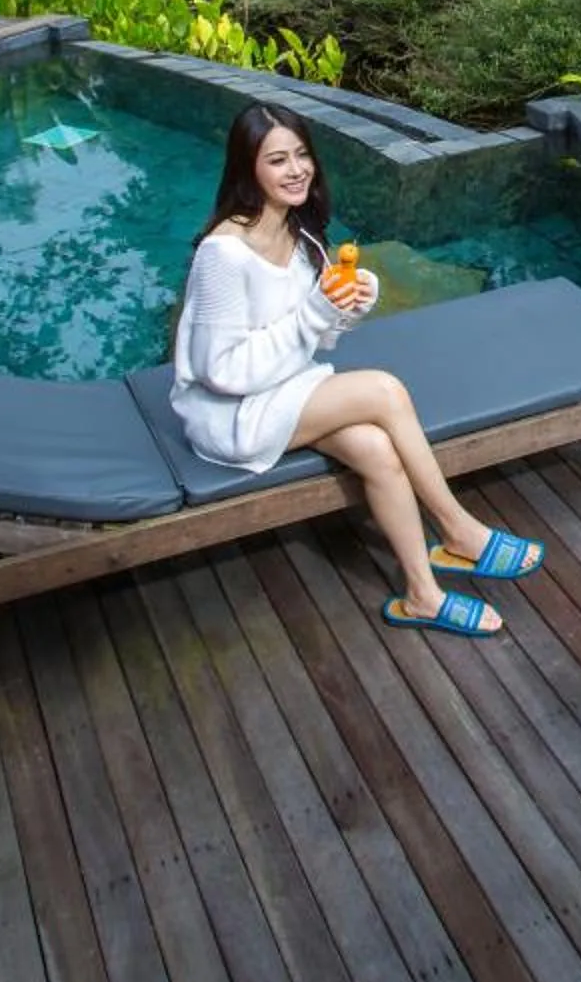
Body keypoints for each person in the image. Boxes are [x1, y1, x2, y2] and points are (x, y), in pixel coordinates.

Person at [169, 101, 547, 638]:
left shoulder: (300, 239)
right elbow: (221, 371)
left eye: (302, 155)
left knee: (375, 448)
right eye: (277, 160)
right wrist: (316, 313)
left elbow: (316, 342)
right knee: (385, 390)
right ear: (246, 168)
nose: (296, 169)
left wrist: (349, 306)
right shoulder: (224, 255)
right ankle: (460, 530)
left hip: (285, 390)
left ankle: (422, 594)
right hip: (231, 412)